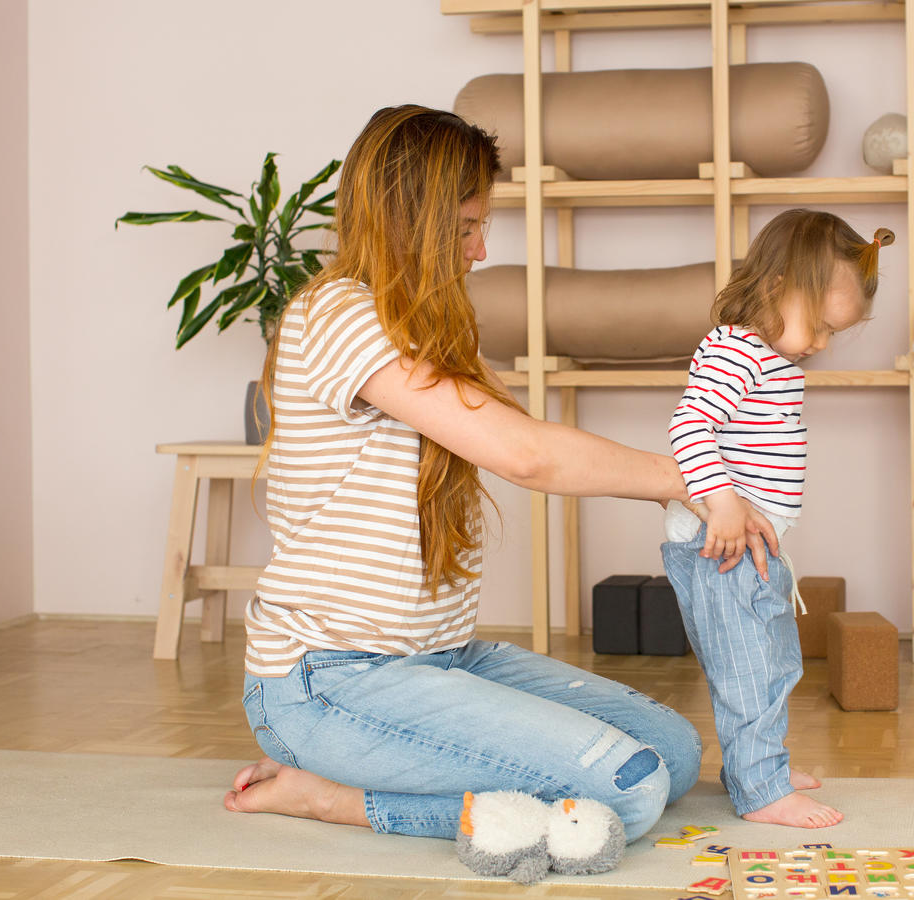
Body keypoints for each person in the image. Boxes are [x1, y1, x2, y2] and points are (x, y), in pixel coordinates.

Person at [222, 104, 776, 846]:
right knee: (632, 791)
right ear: (406, 219)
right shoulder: (338, 315)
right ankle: (330, 798)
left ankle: (370, 768)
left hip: (442, 659)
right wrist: (696, 481)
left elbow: (534, 439)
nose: (480, 250)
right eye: (462, 229)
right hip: (332, 680)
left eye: (483, 226)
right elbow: (527, 456)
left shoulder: (428, 325)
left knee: (673, 754)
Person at [661, 209, 894, 829]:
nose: (819, 343)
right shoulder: (734, 349)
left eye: (830, 334)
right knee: (749, 668)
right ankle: (760, 788)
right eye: (818, 325)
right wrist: (725, 504)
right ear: (775, 286)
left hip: (750, 547)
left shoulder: (770, 356)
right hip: (721, 546)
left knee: (775, 660)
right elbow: (689, 429)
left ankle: (764, 761)